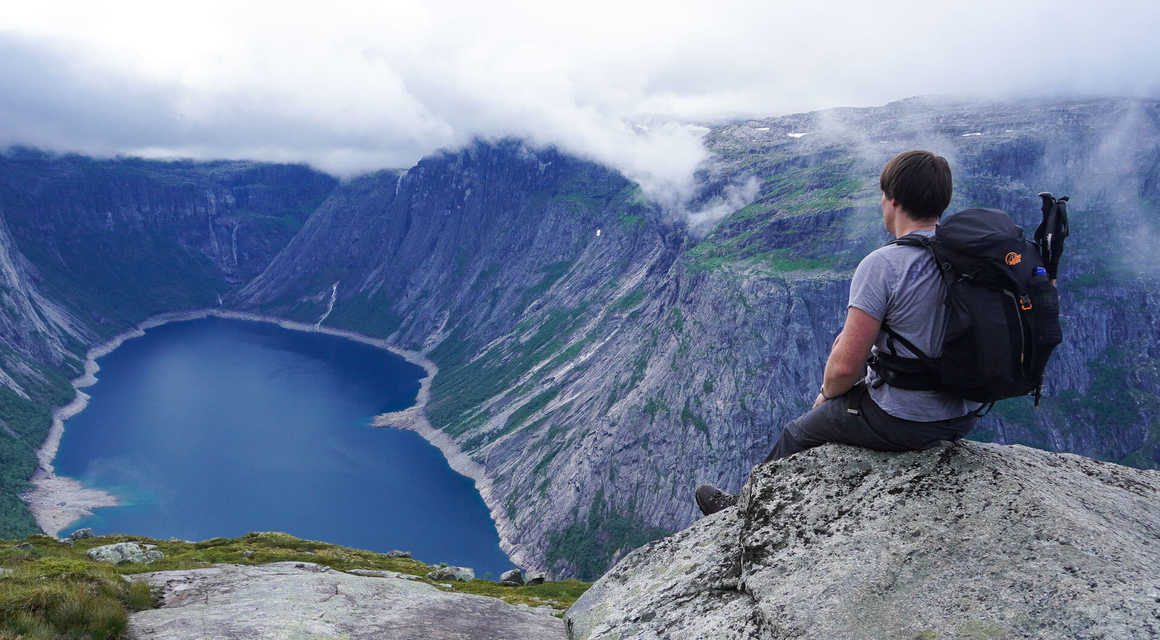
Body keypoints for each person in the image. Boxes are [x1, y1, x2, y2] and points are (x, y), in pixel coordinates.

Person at [696, 150, 981, 517]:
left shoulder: (883, 265)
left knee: (797, 433)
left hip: (907, 420)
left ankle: (740, 513)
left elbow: (846, 368)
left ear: (892, 200)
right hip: (963, 413)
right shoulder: (968, 259)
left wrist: (827, 398)